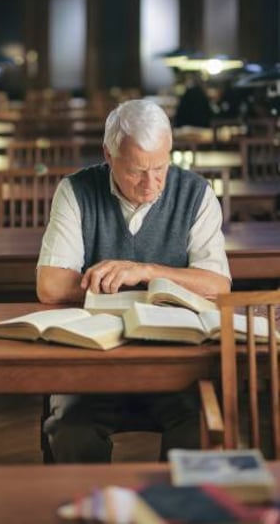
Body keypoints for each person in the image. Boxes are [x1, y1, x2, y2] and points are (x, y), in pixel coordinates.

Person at [36, 98, 231, 463]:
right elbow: (50, 286)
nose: (151, 184)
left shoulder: (197, 194)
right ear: (108, 155)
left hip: (177, 363)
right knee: (71, 430)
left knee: (200, 427)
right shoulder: (76, 190)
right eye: (136, 171)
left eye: (161, 168)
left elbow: (218, 285)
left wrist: (145, 271)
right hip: (92, 360)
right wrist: (140, 287)